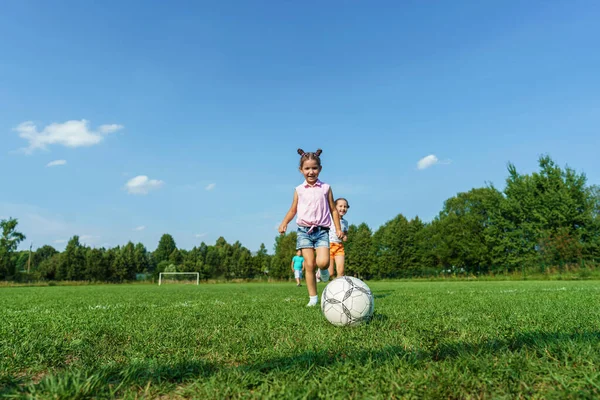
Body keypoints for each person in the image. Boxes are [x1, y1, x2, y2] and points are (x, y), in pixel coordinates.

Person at [279, 148, 343, 307]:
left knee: (322, 262)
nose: (311, 172)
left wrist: (338, 228)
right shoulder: (299, 190)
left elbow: (333, 210)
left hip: (321, 231)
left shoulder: (326, 188)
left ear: (320, 169)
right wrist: (284, 222)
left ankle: (322, 272)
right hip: (304, 231)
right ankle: (313, 298)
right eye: (307, 168)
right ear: (301, 170)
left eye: (314, 168)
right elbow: (293, 209)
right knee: (309, 264)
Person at [329, 198, 350, 278]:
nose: (343, 208)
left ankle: (339, 288)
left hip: (339, 246)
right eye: (340, 206)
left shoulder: (345, 222)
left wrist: (344, 237)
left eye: (345, 207)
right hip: (328, 246)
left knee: (341, 272)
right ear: (335, 207)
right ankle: (319, 273)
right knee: (330, 273)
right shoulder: (329, 218)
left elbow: (345, 234)